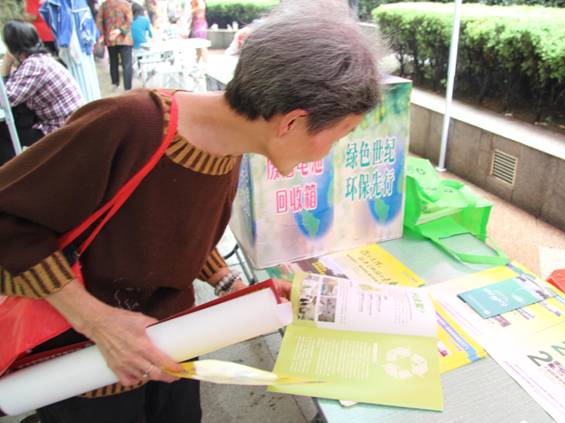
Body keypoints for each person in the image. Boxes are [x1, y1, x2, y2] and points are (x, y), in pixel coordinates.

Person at [0, 0, 382, 421]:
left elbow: (167, 230)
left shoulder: (233, 143)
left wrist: (228, 283)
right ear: (291, 122)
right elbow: (8, 218)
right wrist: (98, 322)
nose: (332, 150)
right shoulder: (130, 125)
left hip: (172, 349)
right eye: (339, 135)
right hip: (85, 372)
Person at [0, 20, 83, 165]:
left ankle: (13, 172)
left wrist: (6, 64)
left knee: (2, 130)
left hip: (61, 129)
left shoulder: (33, 65)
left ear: (12, 47)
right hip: (73, 121)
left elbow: (6, 100)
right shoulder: (41, 59)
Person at [96, 0, 133, 91]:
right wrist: (120, 30)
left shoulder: (104, 5)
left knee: (113, 62)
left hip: (110, 39)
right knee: (127, 64)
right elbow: (130, 20)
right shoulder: (125, 4)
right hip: (125, 39)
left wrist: (102, 35)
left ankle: (115, 83)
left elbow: (99, 21)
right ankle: (127, 88)